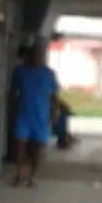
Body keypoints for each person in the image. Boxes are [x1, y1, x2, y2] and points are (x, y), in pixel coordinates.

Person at [10, 42, 60, 187]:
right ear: (30, 56)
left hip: (41, 116)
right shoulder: (20, 72)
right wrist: (12, 111)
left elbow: (54, 96)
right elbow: (13, 93)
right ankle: (19, 174)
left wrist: (55, 112)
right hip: (23, 114)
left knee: (38, 149)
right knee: (20, 146)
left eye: (40, 55)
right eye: (35, 54)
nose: (38, 58)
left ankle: (33, 177)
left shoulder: (48, 74)